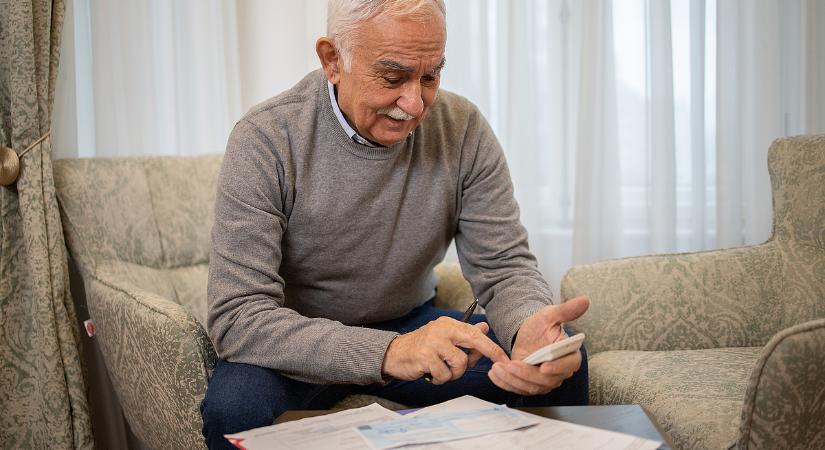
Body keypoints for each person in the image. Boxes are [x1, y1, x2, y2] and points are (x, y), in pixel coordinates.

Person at [201, 0, 590, 448]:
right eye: (392, 76)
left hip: (409, 323)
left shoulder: (463, 128)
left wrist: (528, 328)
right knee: (234, 412)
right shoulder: (265, 138)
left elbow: (503, 265)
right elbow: (238, 317)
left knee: (560, 369)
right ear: (332, 60)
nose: (414, 103)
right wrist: (387, 353)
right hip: (294, 340)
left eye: (430, 76)